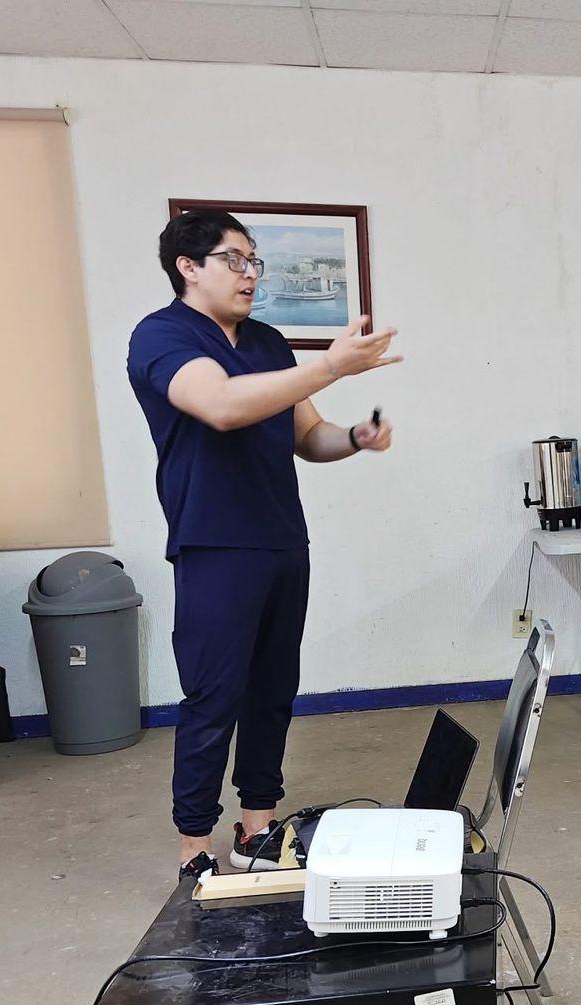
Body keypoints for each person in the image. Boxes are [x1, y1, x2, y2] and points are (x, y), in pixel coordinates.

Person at [128, 209, 402, 880]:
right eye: (235, 260)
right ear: (189, 267)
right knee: (213, 696)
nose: (251, 275)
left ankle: (257, 826)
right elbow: (221, 405)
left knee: (273, 689)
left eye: (256, 262)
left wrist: (354, 439)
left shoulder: (268, 340)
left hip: (282, 538)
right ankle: (195, 842)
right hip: (215, 542)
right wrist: (331, 367)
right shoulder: (161, 336)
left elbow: (309, 436)